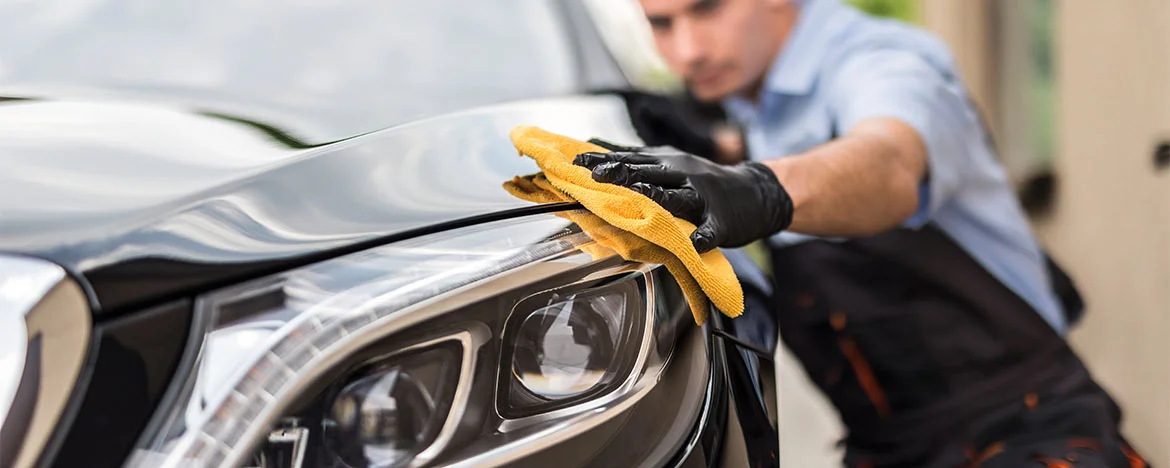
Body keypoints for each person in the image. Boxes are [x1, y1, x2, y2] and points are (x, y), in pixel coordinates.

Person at [575, 0, 1149, 466]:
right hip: (888, 447)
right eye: (662, 23)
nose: (688, 52)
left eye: (709, 9)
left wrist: (761, 188)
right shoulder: (755, 98)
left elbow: (889, 161)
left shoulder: (881, 59)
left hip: (1026, 429)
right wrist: (721, 150)